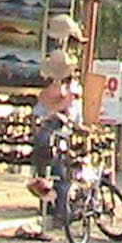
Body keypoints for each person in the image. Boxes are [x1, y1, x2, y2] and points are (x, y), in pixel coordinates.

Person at [28, 50, 84, 227]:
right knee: (61, 175)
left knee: (44, 173)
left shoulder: (48, 89)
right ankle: (61, 211)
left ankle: (48, 207)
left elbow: (36, 115)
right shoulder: (69, 90)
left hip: (44, 137)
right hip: (59, 138)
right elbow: (75, 118)